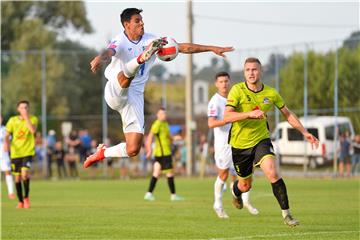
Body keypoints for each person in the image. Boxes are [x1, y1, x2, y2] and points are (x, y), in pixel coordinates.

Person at [83, 7, 233, 168]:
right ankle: (140, 59)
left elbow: (182, 47)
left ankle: (102, 153)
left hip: (135, 97)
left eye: (141, 20)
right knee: (126, 75)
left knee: (133, 148)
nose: (142, 23)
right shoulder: (120, 40)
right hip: (115, 89)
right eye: (137, 21)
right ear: (127, 25)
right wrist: (100, 57)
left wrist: (211, 48)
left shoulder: (151, 40)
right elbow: (110, 51)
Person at [223, 58, 319, 227]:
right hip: (240, 145)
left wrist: (305, 132)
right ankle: (235, 191)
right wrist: (249, 114)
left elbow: (287, 114)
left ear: (261, 71)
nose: (251, 73)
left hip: (261, 139)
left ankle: (287, 215)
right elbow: (227, 116)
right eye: (248, 70)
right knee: (245, 185)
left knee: (272, 173)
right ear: (244, 72)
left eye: (254, 69)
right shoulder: (237, 91)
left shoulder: (271, 93)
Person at [208, 72, 258, 219]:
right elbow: (211, 123)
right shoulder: (215, 101)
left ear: (229, 82)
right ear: (216, 84)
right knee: (223, 174)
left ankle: (246, 200)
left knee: (246, 173)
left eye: (226, 81)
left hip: (240, 141)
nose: (224, 84)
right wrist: (229, 119)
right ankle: (217, 204)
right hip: (223, 145)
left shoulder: (235, 97)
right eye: (221, 82)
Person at [4, 100, 38, 208]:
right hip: (15, 153)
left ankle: (26, 198)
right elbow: (7, 135)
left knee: (24, 174)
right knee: (17, 178)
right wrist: (6, 144)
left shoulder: (33, 119)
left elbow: (32, 131)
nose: (24, 109)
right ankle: (20, 202)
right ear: (18, 109)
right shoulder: (12, 120)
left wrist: (26, 118)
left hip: (27, 151)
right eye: (22, 108)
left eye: (26, 107)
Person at [144, 108, 183, 201]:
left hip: (163, 152)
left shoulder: (165, 124)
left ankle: (149, 194)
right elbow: (149, 137)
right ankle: (173, 195)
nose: (164, 115)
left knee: (156, 172)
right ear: (158, 115)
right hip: (163, 153)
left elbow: (168, 137)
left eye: (164, 113)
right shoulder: (157, 124)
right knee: (169, 173)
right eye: (161, 114)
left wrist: (175, 138)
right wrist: (149, 150)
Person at [0, 116, 15, 199]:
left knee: (7, 172)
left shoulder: (5, 129)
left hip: (4, 155)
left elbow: (9, 141)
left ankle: (11, 192)